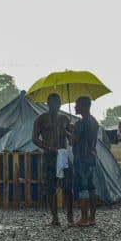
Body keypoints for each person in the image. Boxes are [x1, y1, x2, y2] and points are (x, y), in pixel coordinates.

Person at [32, 93, 73, 226]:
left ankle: (70, 216)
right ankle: (55, 218)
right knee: (50, 188)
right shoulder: (41, 119)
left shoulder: (65, 119)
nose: (56, 104)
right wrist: (48, 147)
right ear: (48, 103)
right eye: (53, 102)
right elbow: (34, 138)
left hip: (63, 156)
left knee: (68, 187)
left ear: (61, 104)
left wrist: (70, 133)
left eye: (58, 102)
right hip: (49, 156)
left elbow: (71, 140)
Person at [68, 96, 99, 226]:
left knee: (83, 189)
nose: (75, 107)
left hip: (82, 159)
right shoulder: (94, 121)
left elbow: (73, 141)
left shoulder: (80, 123)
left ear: (84, 107)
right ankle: (92, 218)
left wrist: (69, 132)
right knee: (91, 189)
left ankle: (84, 218)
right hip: (91, 158)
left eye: (77, 105)